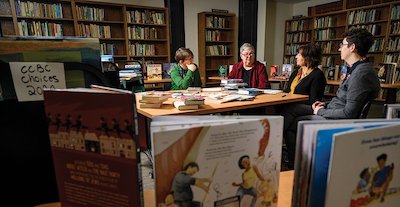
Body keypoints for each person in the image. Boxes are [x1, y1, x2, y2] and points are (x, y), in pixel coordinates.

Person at [283, 27, 381, 169]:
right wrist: (325, 104)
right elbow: (344, 99)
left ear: (352, 47)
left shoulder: (361, 74)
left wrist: (319, 111)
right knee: (290, 109)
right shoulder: (356, 68)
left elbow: (349, 113)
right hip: (332, 110)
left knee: (292, 123)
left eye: (342, 45)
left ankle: (294, 164)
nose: (340, 48)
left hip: (337, 120)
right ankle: (293, 159)